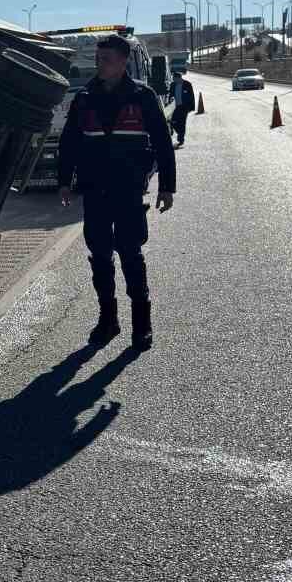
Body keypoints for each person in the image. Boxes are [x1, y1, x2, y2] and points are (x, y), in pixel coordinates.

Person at [58, 33, 176, 350]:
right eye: (97, 59)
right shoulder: (84, 98)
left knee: (131, 255)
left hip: (128, 192)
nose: (100, 64)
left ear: (123, 62)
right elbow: (69, 142)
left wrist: (166, 186)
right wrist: (63, 180)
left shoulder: (143, 96)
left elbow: (164, 144)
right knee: (99, 257)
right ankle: (107, 320)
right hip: (95, 192)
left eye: (106, 59)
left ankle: (142, 325)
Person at [170, 69, 196, 145]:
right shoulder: (173, 85)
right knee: (173, 121)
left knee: (182, 123)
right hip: (175, 107)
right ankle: (180, 133)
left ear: (179, 78)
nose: (173, 80)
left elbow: (192, 96)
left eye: (174, 78)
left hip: (184, 107)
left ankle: (181, 139)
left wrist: (191, 107)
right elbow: (170, 95)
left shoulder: (187, 84)